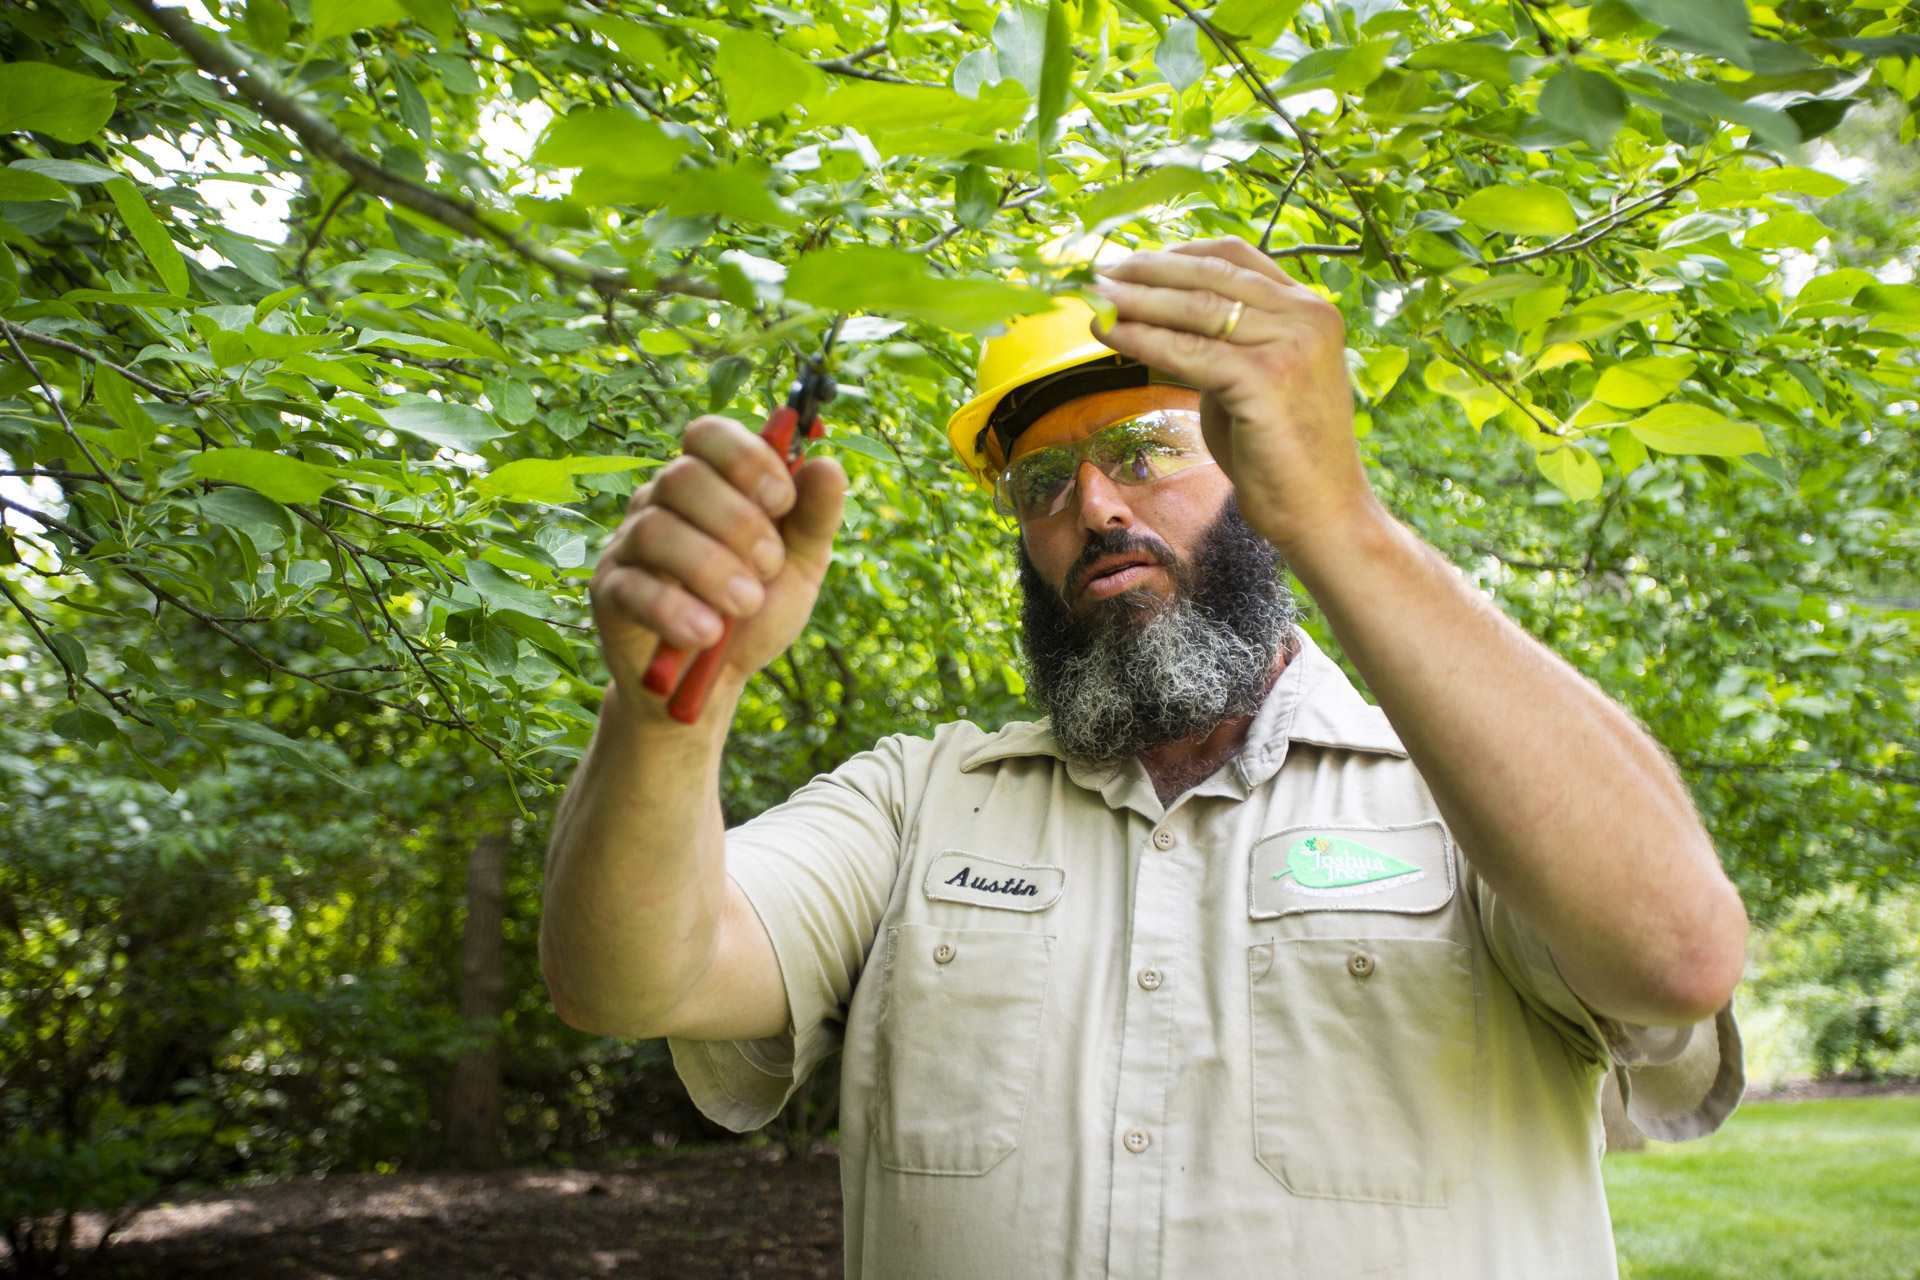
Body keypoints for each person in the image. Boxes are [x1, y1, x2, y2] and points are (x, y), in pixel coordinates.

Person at [541, 238, 1749, 1278]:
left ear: (1256, 460)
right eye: (1046, 478)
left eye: (1148, 447)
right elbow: (633, 978)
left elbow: (1675, 952)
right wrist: (670, 707)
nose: (1099, 507)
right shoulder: (920, 800)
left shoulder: (1477, 790)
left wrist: (1338, 515)